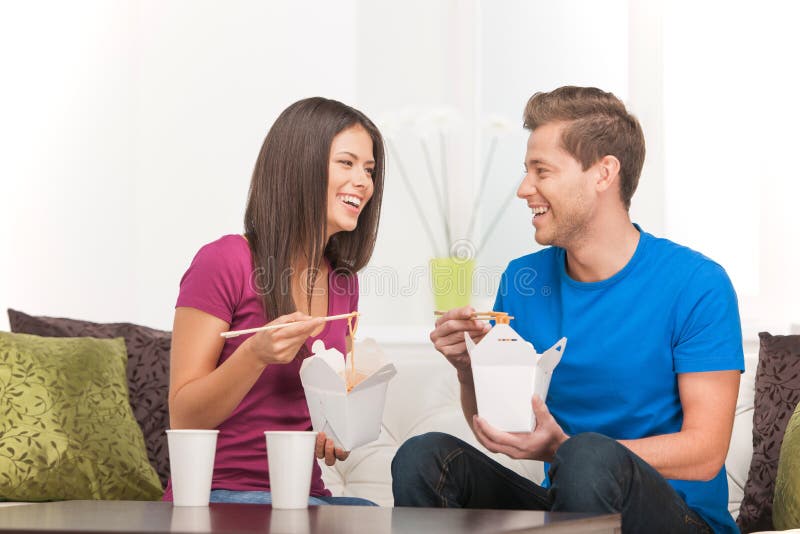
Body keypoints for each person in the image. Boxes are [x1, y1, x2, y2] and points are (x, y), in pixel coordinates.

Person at [391, 86, 743, 533]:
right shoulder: (525, 281)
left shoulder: (697, 284)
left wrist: (567, 449)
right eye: (526, 171)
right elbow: (507, 424)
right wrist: (468, 367)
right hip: (568, 508)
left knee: (588, 454)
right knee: (425, 457)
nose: (524, 189)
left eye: (542, 171)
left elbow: (705, 452)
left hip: (679, 518)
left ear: (603, 173)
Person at [167, 97, 384, 505]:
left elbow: (329, 407)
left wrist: (336, 430)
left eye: (369, 170)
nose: (363, 182)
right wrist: (255, 354)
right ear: (299, 166)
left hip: (302, 494)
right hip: (220, 492)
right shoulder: (225, 260)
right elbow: (184, 416)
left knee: (374, 518)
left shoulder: (344, 283)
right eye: (347, 163)